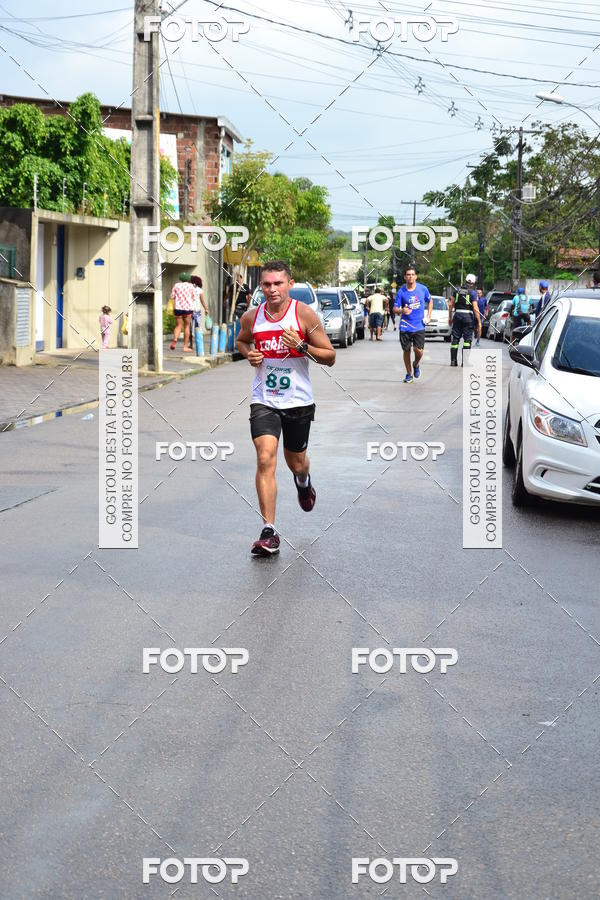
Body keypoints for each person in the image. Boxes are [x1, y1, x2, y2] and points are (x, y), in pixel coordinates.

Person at [236, 260, 336, 557]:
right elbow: (241, 341)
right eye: (266, 284)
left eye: (278, 283)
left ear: (289, 284)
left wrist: (303, 347)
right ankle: (269, 531)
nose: (272, 289)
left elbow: (329, 356)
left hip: (298, 401)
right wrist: (249, 354)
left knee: (296, 461)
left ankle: (303, 482)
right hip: (264, 399)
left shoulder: (304, 315)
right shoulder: (252, 317)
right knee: (265, 457)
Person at [394, 265, 432, 382]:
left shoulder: (422, 289)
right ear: (405, 277)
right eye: (408, 275)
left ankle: (416, 364)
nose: (410, 277)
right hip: (405, 326)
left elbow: (430, 301)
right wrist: (401, 310)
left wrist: (428, 316)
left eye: (412, 275)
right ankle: (409, 374)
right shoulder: (401, 291)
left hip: (419, 325)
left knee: (418, 350)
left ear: (416, 276)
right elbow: (395, 309)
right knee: (406, 350)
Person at [448, 274, 481, 366]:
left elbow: (450, 305)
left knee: (455, 339)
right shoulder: (473, 293)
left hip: (457, 315)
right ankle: (465, 362)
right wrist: (478, 321)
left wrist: (450, 318)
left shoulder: (457, 290)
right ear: (473, 282)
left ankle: (453, 361)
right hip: (468, 317)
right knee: (467, 340)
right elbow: (475, 308)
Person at [170, 272, 194, 352]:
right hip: (188, 309)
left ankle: (175, 339)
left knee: (178, 326)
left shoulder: (176, 285)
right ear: (188, 279)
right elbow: (193, 297)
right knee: (187, 326)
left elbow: (172, 297)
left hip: (178, 308)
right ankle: (185, 347)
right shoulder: (191, 286)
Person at [189, 274, 209, 349]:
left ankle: (191, 345)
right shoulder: (199, 290)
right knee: (198, 328)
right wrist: (206, 309)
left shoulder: (189, 288)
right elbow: (202, 301)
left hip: (190, 310)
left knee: (190, 328)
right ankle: (199, 345)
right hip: (197, 311)